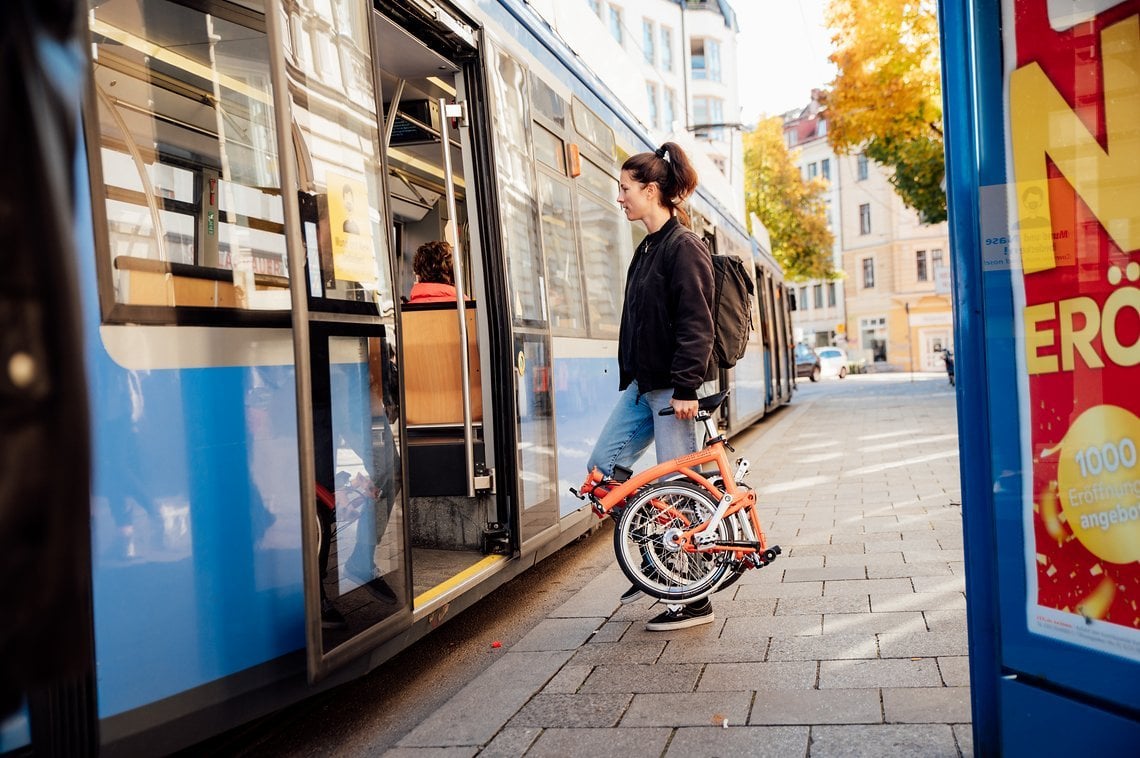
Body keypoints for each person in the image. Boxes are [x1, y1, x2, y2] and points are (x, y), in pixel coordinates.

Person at [585, 141, 717, 631]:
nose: (620, 197)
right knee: (603, 470)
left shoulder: (683, 247)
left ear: (652, 190)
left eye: (625, 189)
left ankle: (692, 593)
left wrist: (686, 387)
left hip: (671, 393)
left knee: (678, 489)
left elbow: (695, 323)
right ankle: (660, 569)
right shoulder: (648, 248)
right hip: (644, 387)